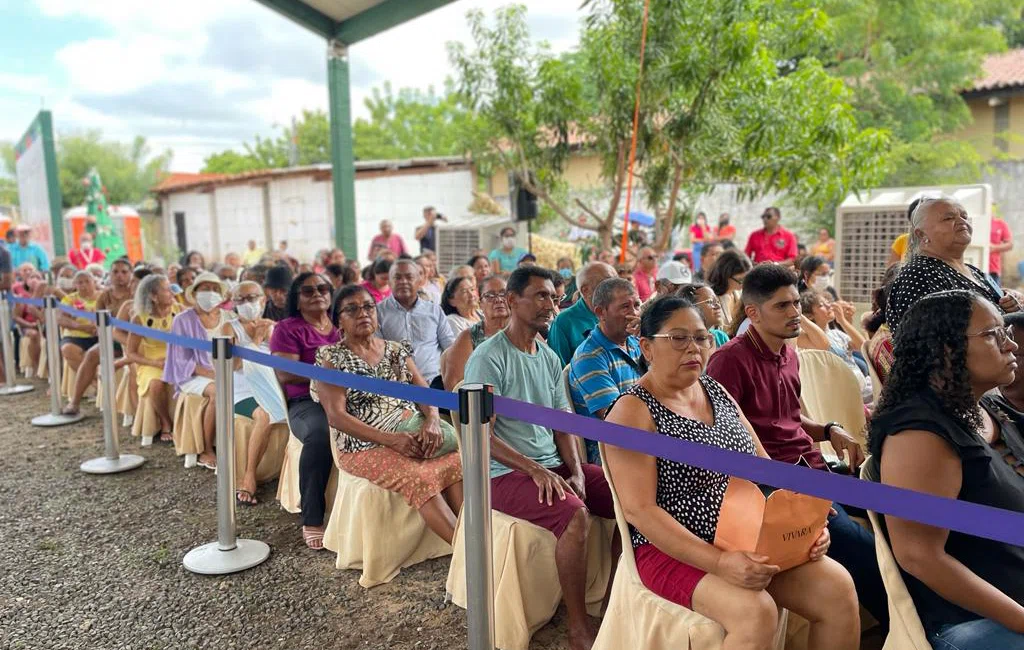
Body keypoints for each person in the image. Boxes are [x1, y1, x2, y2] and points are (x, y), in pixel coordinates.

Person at [604, 296, 859, 649]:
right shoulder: (632, 412)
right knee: (756, 612)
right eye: (678, 338)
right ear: (647, 347)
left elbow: (764, 468)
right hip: (670, 547)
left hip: (743, 533)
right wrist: (721, 562)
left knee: (837, 588)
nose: (693, 348)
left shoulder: (714, 390)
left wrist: (806, 526)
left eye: (701, 337)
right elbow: (640, 512)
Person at [705, 263, 889, 626]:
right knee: (863, 547)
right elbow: (724, 447)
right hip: (779, 487)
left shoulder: (788, 352)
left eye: (796, 304)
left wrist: (831, 429)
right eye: (782, 306)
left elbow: (788, 418)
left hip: (813, 467)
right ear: (753, 313)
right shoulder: (728, 362)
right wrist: (799, 502)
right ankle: (906, 632)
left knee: (898, 512)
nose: (795, 315)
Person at [464, 267, 617, 650]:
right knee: (575, 515)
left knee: (627, 494)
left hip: (550, 462)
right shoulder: (488, 357)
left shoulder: (547, 356)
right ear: (512, 301)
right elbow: (480, 435)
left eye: (552, 296)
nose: (550, 304)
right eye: (540, 296)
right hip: (500, 474)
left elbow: (563, 423)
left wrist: (578, 471)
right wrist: (534, 469)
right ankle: (578, 628)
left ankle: (616, 598)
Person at [868, 290, 1024, 648]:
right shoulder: (920, 435)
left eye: (1006, 333)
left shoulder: (988, 410)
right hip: (976, 622)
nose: (1010, 346)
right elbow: (920, 556)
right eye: (992, 335)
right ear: (946, 350)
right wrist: (1020, 618)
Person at [313, 284, 464, 542]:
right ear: (338, 319)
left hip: (408, 428)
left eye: (368, 307)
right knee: (420, 478)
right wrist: (391, 441)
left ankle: (476, 540)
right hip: (362, 444)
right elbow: (336, 416)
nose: (363, 314)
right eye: (352, 309)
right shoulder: (332, 357)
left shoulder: (395, 350)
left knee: (458, 462)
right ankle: (467, 557)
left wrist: (433, 421)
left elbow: (423, 391)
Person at [270, 273, 341, 549]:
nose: (317, 294)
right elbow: (286, 373)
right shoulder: (287, 328)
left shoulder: (340, 325)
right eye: (308, 291)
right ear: (296, 300)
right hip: (305, 403)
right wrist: (330, 374)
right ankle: (312, 517)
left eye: (323, 288)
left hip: (349, 397)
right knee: (320, 434)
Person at [887, 196, 1023, 331]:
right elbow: (929, 341)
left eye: (964, 216)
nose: (961, 221)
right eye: (948, 218)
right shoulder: (919, 275)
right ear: (922, 235)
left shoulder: (974, 272)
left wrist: (1010, 305)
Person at [222, 281, 287, 506]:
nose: (247, 303)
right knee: (264, 415)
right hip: (242, 390)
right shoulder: (229, 328)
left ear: (263, 299)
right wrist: (256, 341)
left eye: (252, 297)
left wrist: (271, 337)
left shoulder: (272, 326)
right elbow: (233, 366)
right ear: (234, 303)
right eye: (241, 299)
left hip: (270, 385)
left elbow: (284, 362)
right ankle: (249, 476)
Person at [163, 272, 233, 470]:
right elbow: (180, 359)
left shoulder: (229, 317)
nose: (210, 293)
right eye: (205, 288)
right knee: (218, 391)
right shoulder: (183, 320)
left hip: (228, 370)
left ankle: (234, 445)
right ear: (195, 292)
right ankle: (206, 450)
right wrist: (213, 374)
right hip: (194, 375)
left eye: (214, 289)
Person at [568, 278, 642, 463]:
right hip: (610, 452)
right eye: (625, 307)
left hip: (642, 436)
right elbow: (616, 418)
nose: (633, 313)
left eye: (637, 305)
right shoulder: (589, 357)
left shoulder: (636, 343)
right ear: (601, 312)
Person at [62, 259, 134, 415]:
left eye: (124, 272)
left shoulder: (135, 293)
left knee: (93, 352)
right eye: (115, 272)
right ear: (110, 274)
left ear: (130, 274)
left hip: (135, 340)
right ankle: (74, 402)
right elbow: (99, 323)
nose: (119, 276)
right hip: (113, 340)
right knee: (92, 354)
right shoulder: (104, 296)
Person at [377, 259, 455, 387]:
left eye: (409, 277)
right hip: (397, 386)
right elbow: (378, 354)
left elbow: (450, 348)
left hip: (434, 384)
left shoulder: (434, 310)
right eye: (397, 277)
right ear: (389, 282)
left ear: (419, 281)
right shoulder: (378, 312)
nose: (403, 282)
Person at [125, 274, 178, 443]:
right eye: (166, 289)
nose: (172, 292)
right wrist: (154, 362)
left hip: (177, 358)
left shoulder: (180, 310)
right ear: (153, 296)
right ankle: (165, 421)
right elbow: (130, 353)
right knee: (155, 383)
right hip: (152, 361)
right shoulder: (139, 318)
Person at [442, 275, 510, 390]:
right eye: (490, 295)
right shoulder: (468, 338)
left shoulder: (526, 333)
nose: (498, 299)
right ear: (480, 304)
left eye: (503, 294)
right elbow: (454, 389)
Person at [547, 262, 617, 366]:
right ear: (585, 290)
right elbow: (559, 370)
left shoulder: (619, 313)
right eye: (607, 283)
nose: (616, 289)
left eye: (617, 282)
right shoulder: (564, 322)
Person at [57, 271, 100, 375]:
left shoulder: (103, 296)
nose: (84, 285)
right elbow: (60, 318)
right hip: (76, 336)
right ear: (75, 285)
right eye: (80, 282)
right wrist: (82, 327)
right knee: (68, 349)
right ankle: (94, 382)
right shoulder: (69, 299)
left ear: (94, 282)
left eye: (87, 281)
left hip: (100, 335)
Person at [707, 249, 752, 331]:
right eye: (740, 280)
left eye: (747, 278)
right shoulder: (711, 298)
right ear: (725, 276)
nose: (745, 283)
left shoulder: (738, 292)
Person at [676, 283, 729, 348]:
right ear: (692, 308)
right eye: (710, 302)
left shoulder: (721, 337)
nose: (718, 306)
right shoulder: (683, 343)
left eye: (717, 301)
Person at [990, 212, 1014, 285]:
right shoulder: (975, 221)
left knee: (995, 295)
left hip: (993, 269)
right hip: (973, 265)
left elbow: (1010, 244)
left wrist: (994, 247)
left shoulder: (1000, 223)